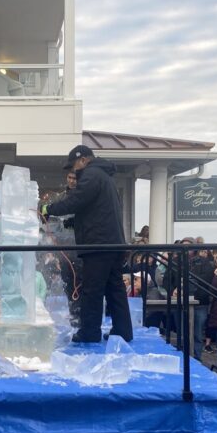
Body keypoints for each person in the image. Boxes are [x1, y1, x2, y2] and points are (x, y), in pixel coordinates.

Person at [43, 145, 133, 343]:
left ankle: (89, 332)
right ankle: (123, 331)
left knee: (92, 290)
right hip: (113, 243)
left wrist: (48, 208)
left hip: (98, 245)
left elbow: (76, 200)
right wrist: (73, 222)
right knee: (114, 288)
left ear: (83, 159)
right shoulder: (105, 176)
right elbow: (97, 211)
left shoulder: (91, 174)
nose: (74, 170)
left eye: (74, 165)